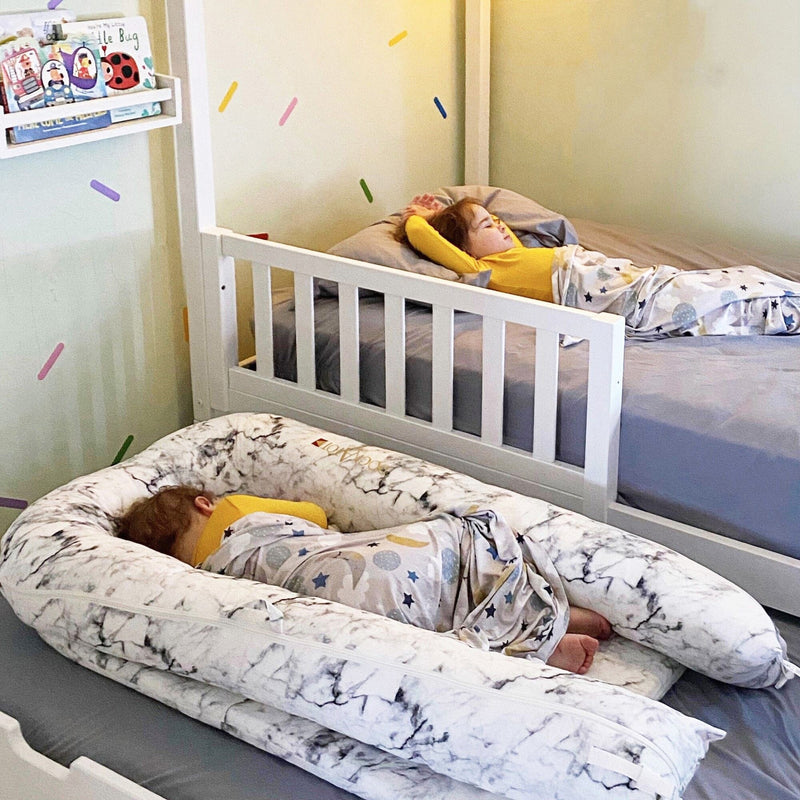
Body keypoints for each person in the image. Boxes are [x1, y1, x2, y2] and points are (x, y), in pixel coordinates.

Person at [118, 485, 612, 675]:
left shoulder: (203, 578)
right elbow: (313, 514)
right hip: (375, 565)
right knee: (453, 543)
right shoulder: (236, 512)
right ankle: (550, 614)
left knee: (424, 626)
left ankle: (545, 647)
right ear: (204, 504)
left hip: (352, 608)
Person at [399, 194, 800, 339]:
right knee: (723, 303)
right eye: (487, 225)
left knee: (746, 276)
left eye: (497, 219)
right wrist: (418, 214)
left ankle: (784, 296)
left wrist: (484, 216)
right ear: (462, 247)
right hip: (634, 302)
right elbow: (421, 234)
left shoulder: (520, 250)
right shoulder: (483, 269)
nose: (501, 224)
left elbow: (516, 216)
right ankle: (787, 312)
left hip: (646, 281)